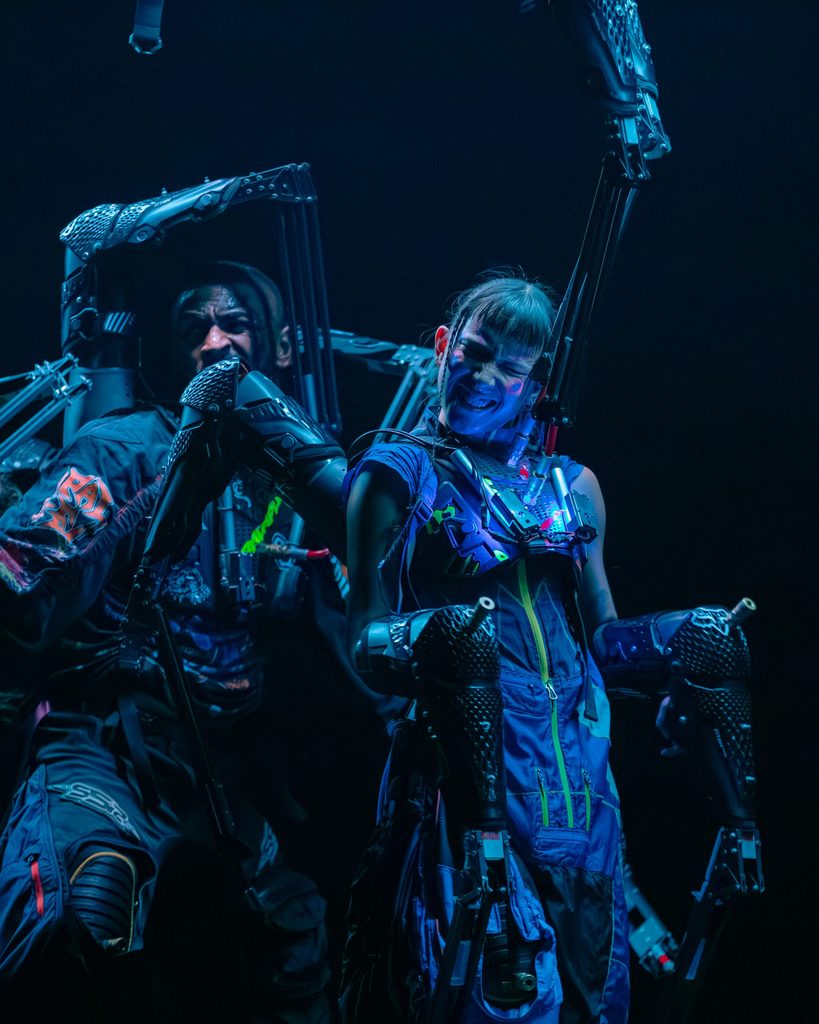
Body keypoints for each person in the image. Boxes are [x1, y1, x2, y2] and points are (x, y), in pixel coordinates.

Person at [0, 262, 343, 1023]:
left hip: (222, 773)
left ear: (281, 346)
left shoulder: (307, 483)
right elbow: (19, 581)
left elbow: (358, 640)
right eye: (194, 329)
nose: (214, 343)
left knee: (295, 955)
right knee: (84, 910)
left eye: (233, 324)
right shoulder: (128, 450)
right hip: (105, 746)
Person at [340, 274, 629, 1023]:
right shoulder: (397, 471)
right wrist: (438, 639)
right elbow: (363, 636)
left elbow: (603, 634)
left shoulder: (574, 486)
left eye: (511, 366)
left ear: (536, 385)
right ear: (443, 346)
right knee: (497, 1002)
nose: (484, 375)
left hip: (579, 786)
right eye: (474, 351)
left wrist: (685, 648)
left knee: (594, 1002)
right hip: (466, 783)